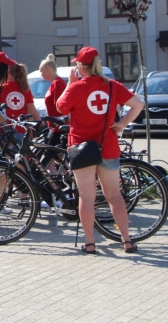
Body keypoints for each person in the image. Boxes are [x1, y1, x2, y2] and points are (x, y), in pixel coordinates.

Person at [56, 46, 144, 254]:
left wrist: (70, 84)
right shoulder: (113, 86)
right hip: (108, 147)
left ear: (79, 66)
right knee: (114, 195)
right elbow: (138, 104)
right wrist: (121, 124)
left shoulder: (77, 87)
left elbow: (60, 107)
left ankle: (90, 243)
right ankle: (127, 240)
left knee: (86, 197)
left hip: (81, 148)